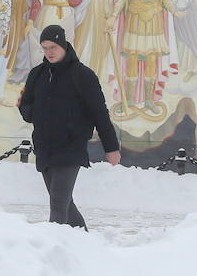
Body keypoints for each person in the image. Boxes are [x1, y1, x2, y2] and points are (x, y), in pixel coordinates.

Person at [18, 24, 121, 230]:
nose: (48, 53)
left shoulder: (83, 76)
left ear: (63, 45)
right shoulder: (37, 74)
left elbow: (99, 114)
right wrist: (25, 109)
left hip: (71, 148)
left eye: (53, 47)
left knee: (57, 204)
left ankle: (52, 250)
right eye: (44, 48)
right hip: (45, 148)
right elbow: (28, 108)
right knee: (64, 203)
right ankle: (86, 243)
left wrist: (111, 147)